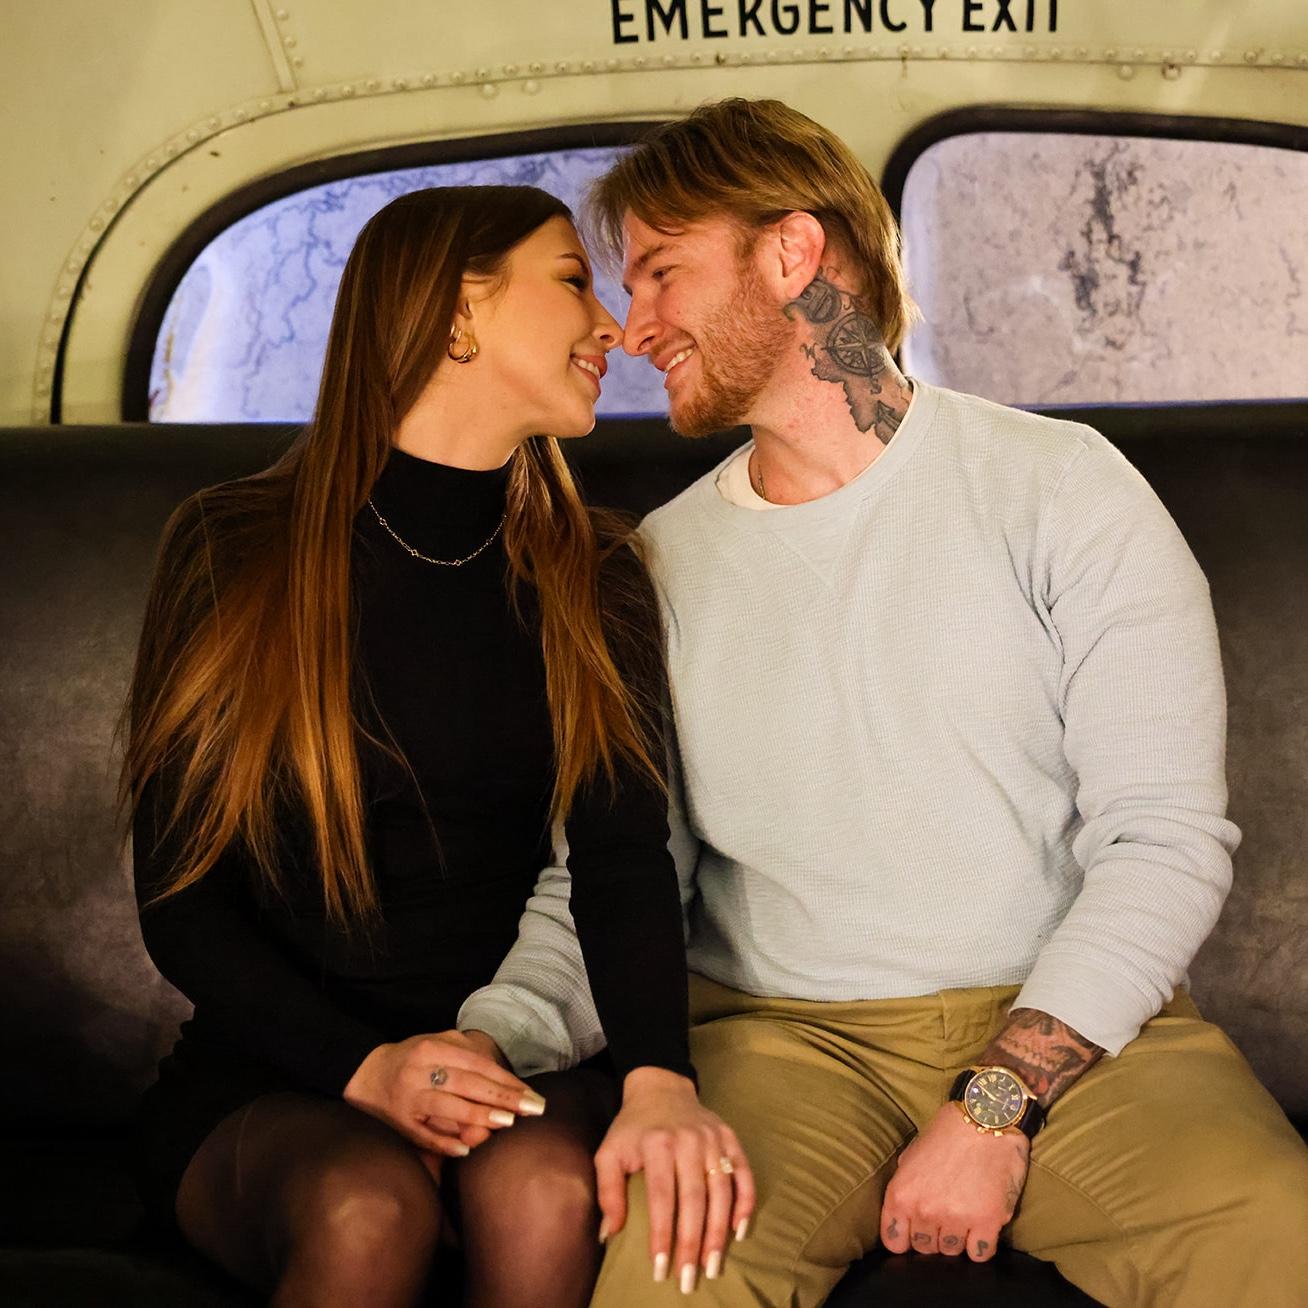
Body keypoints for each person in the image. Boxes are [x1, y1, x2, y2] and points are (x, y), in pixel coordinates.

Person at [452, 103, 1308, 1306]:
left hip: (1082, 1037)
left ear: (792, 253)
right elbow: (611, 873)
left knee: (1280, 1235)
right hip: (782, 1044)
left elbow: (1162, 843)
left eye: (662, 273)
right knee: (672, 1278)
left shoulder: (1066, 492)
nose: (632, 328)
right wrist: (488, 1039)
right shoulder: (653, 569)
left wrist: (994, 1107)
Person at [124, 184, 752, 1308]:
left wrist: (659, 1077)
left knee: (541, 1194)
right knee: (366, 1208)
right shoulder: (230, 547)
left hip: (518, 1059)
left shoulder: (595, 572)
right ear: (460, 314)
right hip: (278, 1072)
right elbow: (182, 902)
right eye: (573, 282)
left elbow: (622, 862)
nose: (612, 327)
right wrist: (366, 1071)